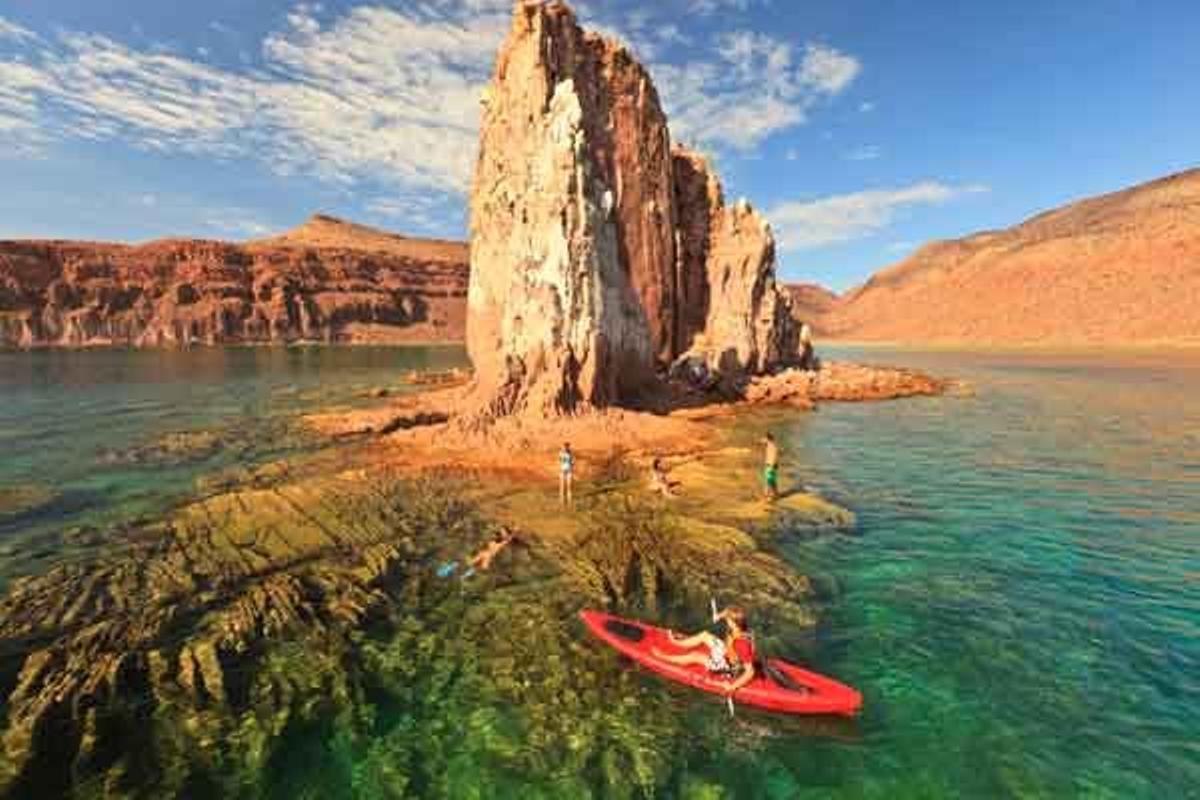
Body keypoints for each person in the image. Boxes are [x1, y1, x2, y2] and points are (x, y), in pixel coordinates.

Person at [652, 607, 756, 694]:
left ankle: (663, 657)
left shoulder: (742, 644)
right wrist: (718, 616)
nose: (725, 620)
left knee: (696, 656)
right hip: (727, 653)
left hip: (729, 668)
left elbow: (750, 672)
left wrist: (732, 687)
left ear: (733, 623)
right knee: (704, 635)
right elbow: (726, 613)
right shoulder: (741, 627)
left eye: (727, 619)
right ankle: (677, 642)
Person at [762, 432, 780, 501]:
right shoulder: (770, 445)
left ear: (768, 439)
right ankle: (776, 494)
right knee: (772, 481)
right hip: (771, 465)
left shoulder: (772, 447)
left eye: (765, 438)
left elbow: (774, 457)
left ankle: (767, 496)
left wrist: (771, 467)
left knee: (768, 481)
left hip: (770, 465)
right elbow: (762, 441)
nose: (764, 440)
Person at [559, 442, 575, 508]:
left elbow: (573, 462)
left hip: (569, 471)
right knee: (562, 486)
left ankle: (569, 501)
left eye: (567, 446)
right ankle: (562, 501)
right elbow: (560, 460)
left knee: (569, 486)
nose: (566, 448)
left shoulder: (571, 453)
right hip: (562, 471)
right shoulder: (561, 453)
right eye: (565, 446)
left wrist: (572, 465)